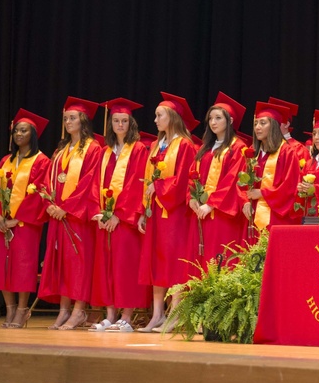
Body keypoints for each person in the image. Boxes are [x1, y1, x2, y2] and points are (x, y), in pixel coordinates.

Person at [39, 97, 103, 330]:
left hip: (78, 217)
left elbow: (90, 182)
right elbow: (49, 180)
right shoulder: (61, 149)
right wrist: (49, 204)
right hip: (58, 216)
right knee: (63, 264)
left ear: (83, 120)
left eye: (72, 118)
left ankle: (78, 311)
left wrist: (66, 208)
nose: (68, 121)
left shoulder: (93, 148)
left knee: (79, 264)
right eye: (65, 118)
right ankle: (64, 311)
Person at [137, 93, 199, 332]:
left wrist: (160, 187)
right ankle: (157, 315)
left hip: (175, 215)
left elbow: (184, 180)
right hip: (155, 214)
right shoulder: (155, 145)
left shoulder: (185, 145)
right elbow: (146, 181)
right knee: (156, 261)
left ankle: (175, 313)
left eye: (159, 115)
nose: (154, 120)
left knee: (173, 262)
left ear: (171, 117)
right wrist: (143, 210)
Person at [0, 109, 51, 328]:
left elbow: (40, 193)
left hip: (26, 226)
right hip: (3, 225)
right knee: (2, 267)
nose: (19, 135)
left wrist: (17, 219)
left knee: (23, 267)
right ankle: (10, 309)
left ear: (32, 133)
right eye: (16, 131)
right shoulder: (6, 160)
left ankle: (22, 311)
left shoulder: (42, 161)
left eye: (23, 131)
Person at [89, 98, 151, 331]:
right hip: (105, 221)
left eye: (124, 121)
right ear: (111, 124)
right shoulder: (104, 152)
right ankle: (110, 314)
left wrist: (119, 215)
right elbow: (95, 184)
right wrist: (100, 214)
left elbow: (137, 184)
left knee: (126, 266)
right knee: (106, 267)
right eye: (116, 120)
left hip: (125, 221)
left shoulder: (138, 151)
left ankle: (127, 315)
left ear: (131, 123)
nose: (120, 124)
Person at [189, 92, 249, 269]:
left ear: (229, 121)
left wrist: (211, 204)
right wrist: (191, 197)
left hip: (222, 214)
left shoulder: (238, 147)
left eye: (218, 118)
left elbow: (232, 180)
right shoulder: (205, 147)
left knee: (219, 257)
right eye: (210, 119)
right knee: (199, 257)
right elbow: (193, 174)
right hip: (200, 212)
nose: (213, 122)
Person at [242, 101, 303, 232]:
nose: (257, 127)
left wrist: (262, 193)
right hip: (251, 215)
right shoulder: (252, 152)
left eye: (263, 123)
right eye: (256, 123)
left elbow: (290, 186)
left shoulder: (287, 152)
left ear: (274, 126)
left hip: (275, 217)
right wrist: (245, 201)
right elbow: (241, 183)